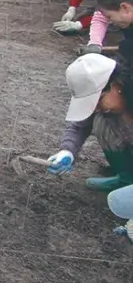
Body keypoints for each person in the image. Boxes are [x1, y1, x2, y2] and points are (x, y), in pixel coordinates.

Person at [47, 53, 133, 193]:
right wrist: (67, 151)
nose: (96, 107)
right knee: (101, 121)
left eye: (98, 100)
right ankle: (127, 180)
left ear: (116, 86)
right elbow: (79, 127)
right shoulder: (109, 106)